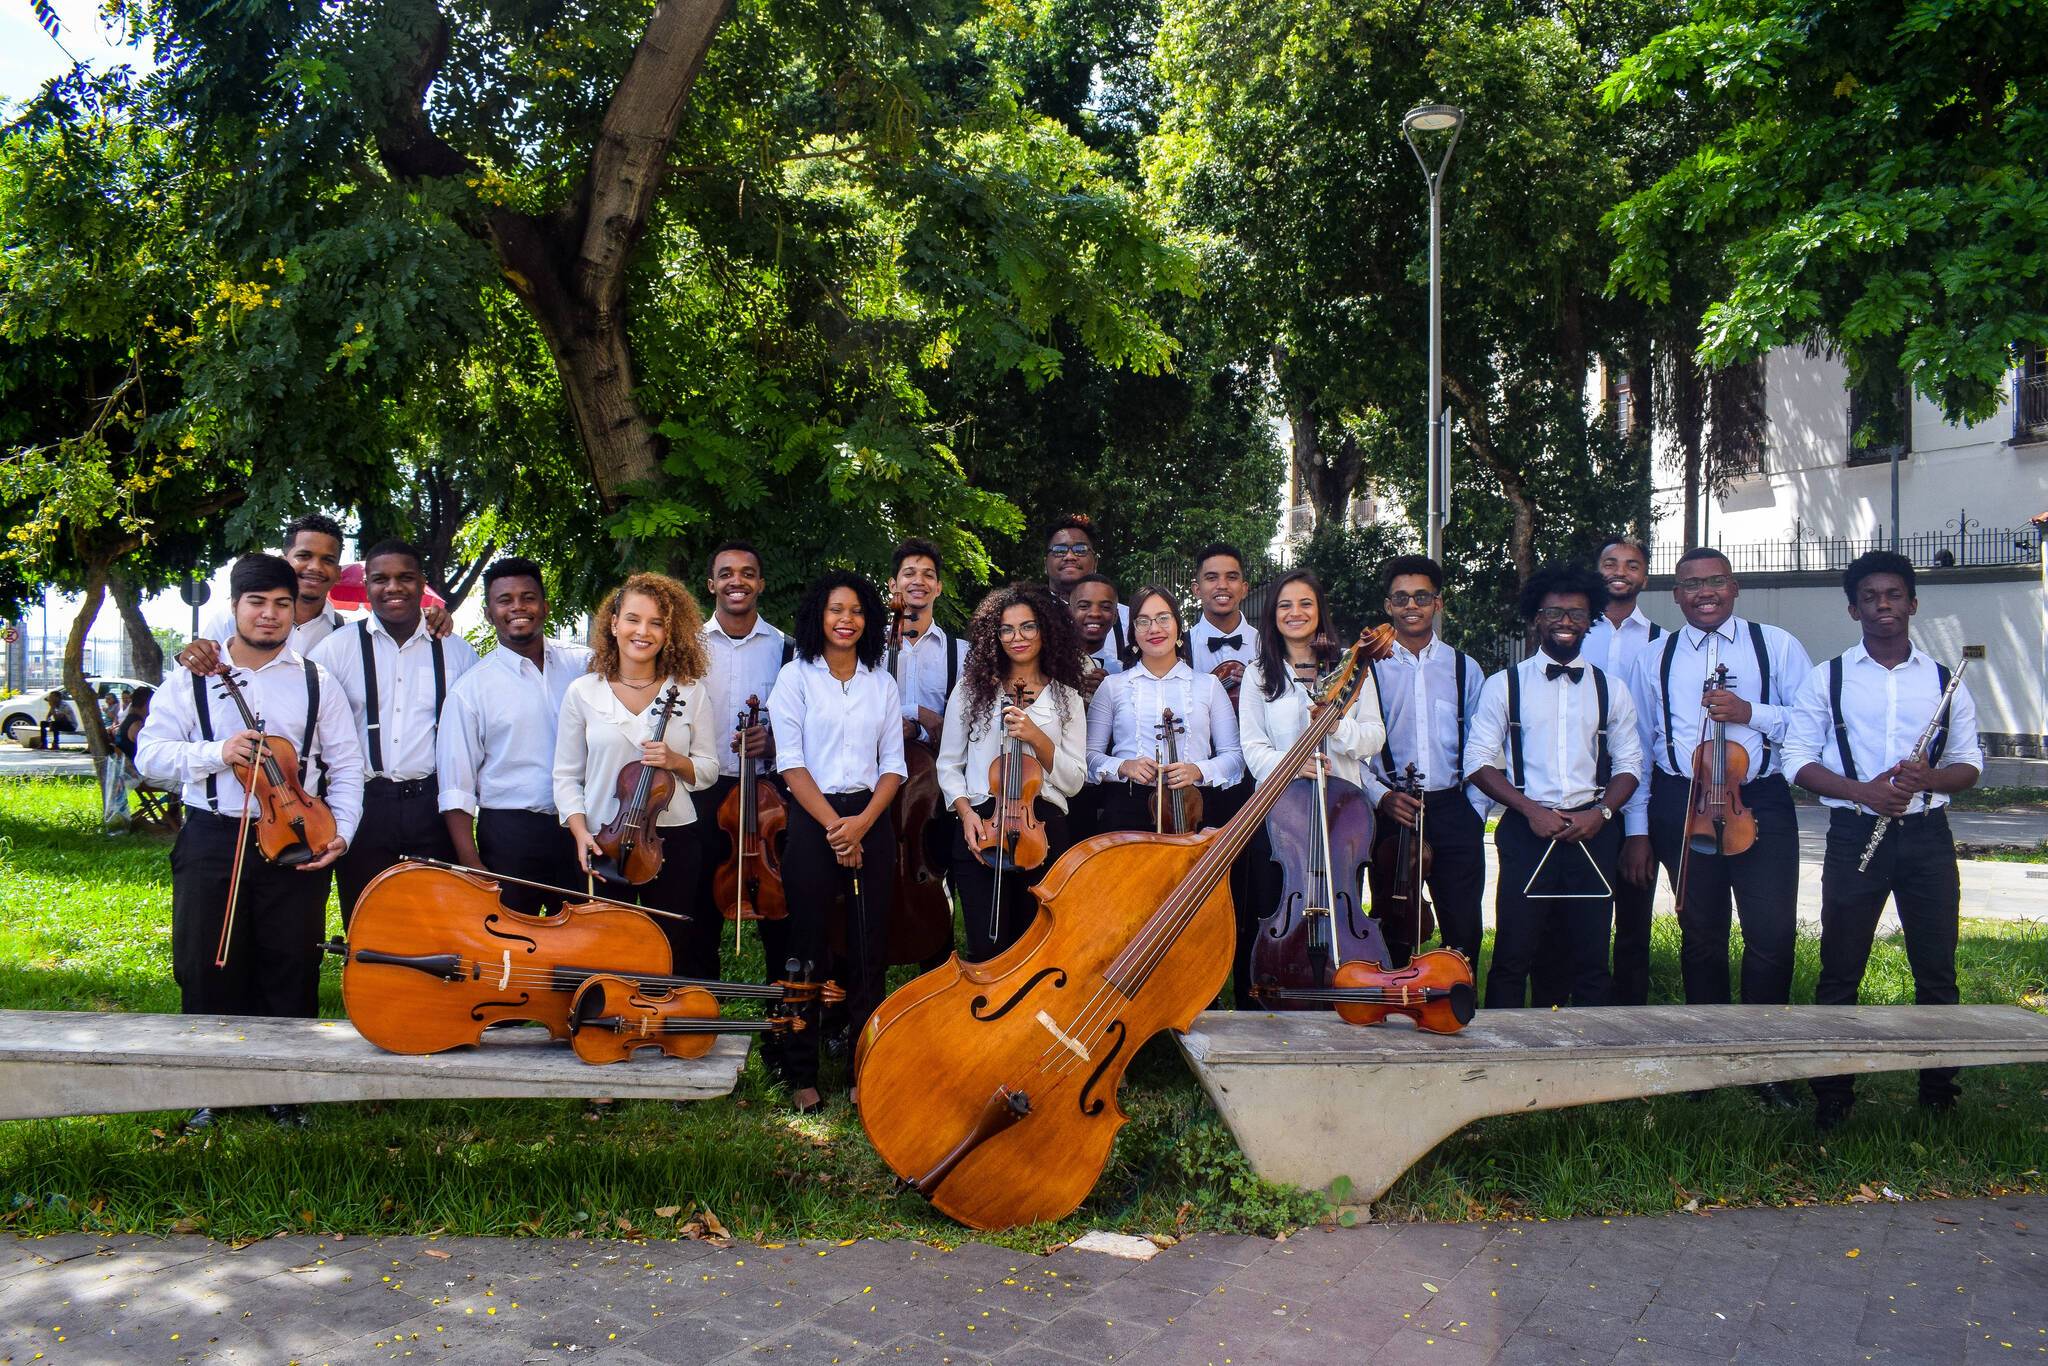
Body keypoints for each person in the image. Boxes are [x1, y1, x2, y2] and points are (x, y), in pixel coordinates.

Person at [135, 554, 362, 1130]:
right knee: (206, 964)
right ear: (234, 608)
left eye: (282, 604)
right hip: (213, 837)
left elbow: (346, 767)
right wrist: (216, 753)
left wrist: (341, 834)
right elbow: (150, 756)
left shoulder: (317, 681)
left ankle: (287, 1092)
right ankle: (215, 1089)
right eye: (257, 603)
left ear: (296, 608)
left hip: (295, 839)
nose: (270, 615)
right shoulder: (192, 678)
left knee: (290, 965)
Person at [1782, 551, 1982, 1130]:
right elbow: (1797, 760)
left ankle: (1939, 1091)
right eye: (1870, 597)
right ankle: (1833, 1093)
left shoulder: (1946, 680)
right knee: (1840, 969)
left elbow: (1970, 764)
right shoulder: (1829, 678)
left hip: (1926, 836)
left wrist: (1931, 779)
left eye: (1894, 595)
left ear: (1913, 604)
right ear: (1853, 608)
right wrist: (1861, 792)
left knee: (1936, 969)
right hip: (1853, 834)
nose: (1883, 605)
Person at [1622, 547, 1812, 1059]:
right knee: (1701, 932)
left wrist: (1753, 712)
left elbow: (1811, 722)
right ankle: (1709, 1048)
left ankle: (1762, 1050)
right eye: (1692, 584)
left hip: (1760, 798)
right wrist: (1637, 827)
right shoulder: (1653, 657)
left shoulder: (1777, 646)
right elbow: (1637, 746)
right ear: (1677, 595)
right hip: (1681, 800)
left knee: (1770, 934)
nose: (1705, 592)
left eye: (1716, 581)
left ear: (1734, 587)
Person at [1466, 563, 1643, 1009]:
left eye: (1578, 614)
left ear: (1591, 621)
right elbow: (1477, 763)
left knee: (1590, 956)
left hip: (1593, 831)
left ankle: (1590, 1062)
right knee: (1513, 953)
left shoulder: (1611, 689)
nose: (1566, 622)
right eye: (1555, 613)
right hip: (1528, 832)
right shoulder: (1503, 685)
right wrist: (1529, 810)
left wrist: (1600, 814)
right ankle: (1502, 1058)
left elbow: (1630, 765)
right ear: (1536, 618)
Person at [768, 570, 907, 1112]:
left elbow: (894, 766)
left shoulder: (881, 682)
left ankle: (862, 1069)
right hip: (812, 816)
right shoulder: (795, 678)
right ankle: (802, 1073)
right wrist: (835, 828)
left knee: (869, 949)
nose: (845, 619)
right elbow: (791, 763)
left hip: (871, 818)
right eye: (835, 609)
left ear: (867, 619)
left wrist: (862, 825)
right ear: (817, 618)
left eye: (855, 610)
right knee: (805, 948)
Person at [553, 572, 719, 971]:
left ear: (669, 632)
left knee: (672, 947)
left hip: (671, 837)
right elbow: (565, 776)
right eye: (633, 619)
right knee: (606, 948)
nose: (643, 631)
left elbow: (709, 769)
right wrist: (579, 832)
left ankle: (664, 1024)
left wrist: (674, 761)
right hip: (602, 839)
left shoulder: (689, 690)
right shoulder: (583, 692)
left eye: (657, 623)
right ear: (613, 624)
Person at [309, 540, 480, 923]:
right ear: (367, 584)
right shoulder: (334, 650)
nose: (393, 587)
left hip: (433, 805)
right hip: (364, 803)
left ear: (422, 583)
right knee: (367, 915)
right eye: (381, 579)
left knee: (437, 918)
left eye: (405, 577)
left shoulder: (457, 652)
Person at [1238, 570, 1386, 1006]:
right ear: (1273, 616)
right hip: (1283, 812)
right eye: (1285, 605)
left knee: (1343, 900)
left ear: (1319, 611)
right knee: (1279, 896)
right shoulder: (1259, 674)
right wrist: (1290, 766)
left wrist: (1336, 726)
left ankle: (1344, 989)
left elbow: (1374, 736)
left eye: (1305, 603)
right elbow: (1252, 747)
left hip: (1343, 813)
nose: (1295, 613)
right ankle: (1281, 988)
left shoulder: (1354, 666)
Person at [937, 584, 1090, 961]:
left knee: (1036, 950)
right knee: (985, 949)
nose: (1016, 637)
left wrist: (1036, 736)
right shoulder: (971, 690)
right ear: (995, 635)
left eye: (1027, 627)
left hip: (1043, 827)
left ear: (1045, 631)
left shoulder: (1066, 698)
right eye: (1006, 629)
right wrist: (966, 812)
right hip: (981, 824)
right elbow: (948, 764)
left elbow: (1073, 781)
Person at [437, 558, 592, 915]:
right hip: (510, 835)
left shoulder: (585, 665)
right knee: (510, 944)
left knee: (582, 944)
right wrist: (470, 861)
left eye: (528, 597)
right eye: (504, 600)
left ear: (545, 606)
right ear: (490, 613)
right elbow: (456, 783)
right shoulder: (471, 689)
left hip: (582, 827)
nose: (518, 607)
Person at [1361, 555, 1489, 971]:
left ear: (1439, 603)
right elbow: (1349, 750)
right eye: (1401, 598)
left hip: (1452, 808)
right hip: (1392, 812)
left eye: (1421, 596)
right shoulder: (1367, 668)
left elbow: (1482, 745)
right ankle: (1394, 1008)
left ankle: (1455, 1006)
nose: (1411, 606)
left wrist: (1473, 809)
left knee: (1463, 926)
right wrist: (1381, 797)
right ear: (1387, 605)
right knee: (1392, 924)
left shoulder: (1464, 667)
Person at [1562, 536, 1664, 1007]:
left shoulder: (1663, 642)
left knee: (1634, 914)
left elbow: (1649, 737)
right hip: (1577, 793)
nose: (1621, 570)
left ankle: (1629, 1017)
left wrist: (1638, 827)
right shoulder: (1574, 633)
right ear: (1597, 570)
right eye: (1610, 562)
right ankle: (1567, 1008)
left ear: (1645, 574)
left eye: (1632, 564)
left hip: (1638, 789)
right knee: (1576, 915)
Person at [179, 513, 457, 675]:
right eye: (304, 556)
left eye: (327, 560)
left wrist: (430, 619)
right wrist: (192, 655)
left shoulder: (346, 634)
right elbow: (194, 681)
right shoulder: (231, 623)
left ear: (338, 572)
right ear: (284, 559)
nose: (315, 567)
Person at [692, 540, 788, 978]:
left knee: (778, 908)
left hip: (768, 796)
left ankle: (783, 1023)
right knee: (698, 907)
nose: (737, 581)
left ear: (761, 584)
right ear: (712, 583)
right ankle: (698, 1010)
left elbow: (801, 723)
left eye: (747, 573)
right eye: (726, 572)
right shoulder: (687, 647)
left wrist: (775, 742)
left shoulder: (787, 648)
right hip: (701, 790)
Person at [1086, 586, 1244, 834]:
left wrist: (1197, 770)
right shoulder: (1112, 686)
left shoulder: (1209, 685)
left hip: (1194, 806)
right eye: (1143, 621)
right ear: (1133, 632)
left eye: (1163, 618)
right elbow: (1088, 757)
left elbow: (1234, 756)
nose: (1154, 629)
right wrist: (1124, 766)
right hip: (1127, 808)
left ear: (1178, 626)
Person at [886, 538, 966, 749]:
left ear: (938, 588)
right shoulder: (870, 648)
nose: (919, 581)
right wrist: (916, 711)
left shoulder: (961, 654)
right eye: (909, 573)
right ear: (893, 585)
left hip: (936, 774)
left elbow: (965, 725)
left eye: (928, 575)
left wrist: (916, 730)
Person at [1184, 543, 1259, 707]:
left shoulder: (1267, 645)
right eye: (1211, 578)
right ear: (1196, 590)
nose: (1222, 585)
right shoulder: (1179, 647)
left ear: (1244, 588)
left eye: (1231, 577)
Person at [1045, 514, 1131, 641]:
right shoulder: (1027, 616)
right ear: (1045, 564)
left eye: (1080, 549)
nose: (1070, 556)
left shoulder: (1127, 620)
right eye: (1059, 550)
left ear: (1095, 562)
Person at [1069, 573, 1126, 689]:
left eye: (1105, 607)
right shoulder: (1048, 665)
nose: (1095, 613)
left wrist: (1108, 693)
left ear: (1115, 616)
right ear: (1069, 613)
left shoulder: (1122, 673)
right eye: (1084, 606)